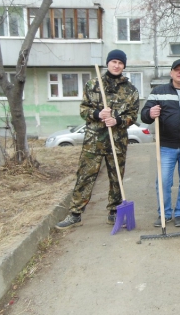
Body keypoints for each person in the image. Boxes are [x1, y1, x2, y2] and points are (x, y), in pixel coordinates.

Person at [55, 49, 140, 230]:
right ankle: (75, 213)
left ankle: (114, 211)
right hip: (93, 140)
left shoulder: (130, 90)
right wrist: (97, 113)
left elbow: (133, 115)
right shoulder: (93, 85)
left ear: (124, 66)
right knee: (85, 176)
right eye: (114, 62)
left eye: (120, 63)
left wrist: (117, 120)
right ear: (108, 63)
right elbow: (83, 110)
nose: (116, 65)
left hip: (117, 141)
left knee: (116, 177)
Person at [141, 59, 180, 228]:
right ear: (171, 73)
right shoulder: (159, 92)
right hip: (166, 146)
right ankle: (164, 214)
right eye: (177, 70)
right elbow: (144, 115)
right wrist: (150, 112)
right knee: (164, 181)